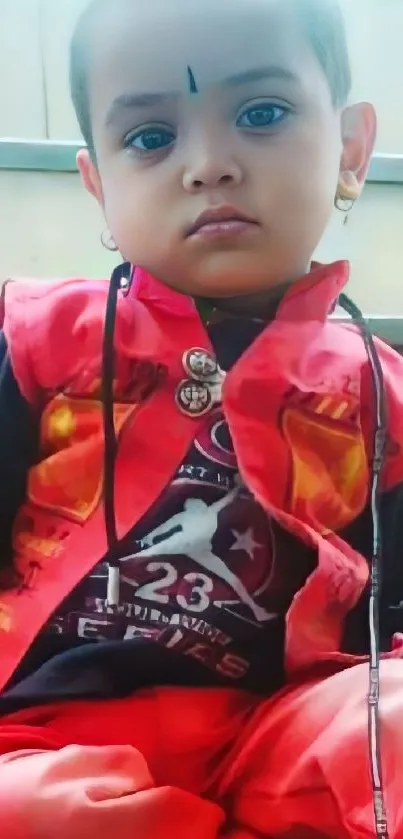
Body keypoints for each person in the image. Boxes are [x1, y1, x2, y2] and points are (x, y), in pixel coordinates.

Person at [1, 0, 403, 835]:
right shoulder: (41, 342)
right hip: (36, 735)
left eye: (261, 115)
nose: (209, 165)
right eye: (150, 137)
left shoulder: (379, 394)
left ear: (351, 150)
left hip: (279, 732)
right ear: (99, 188)